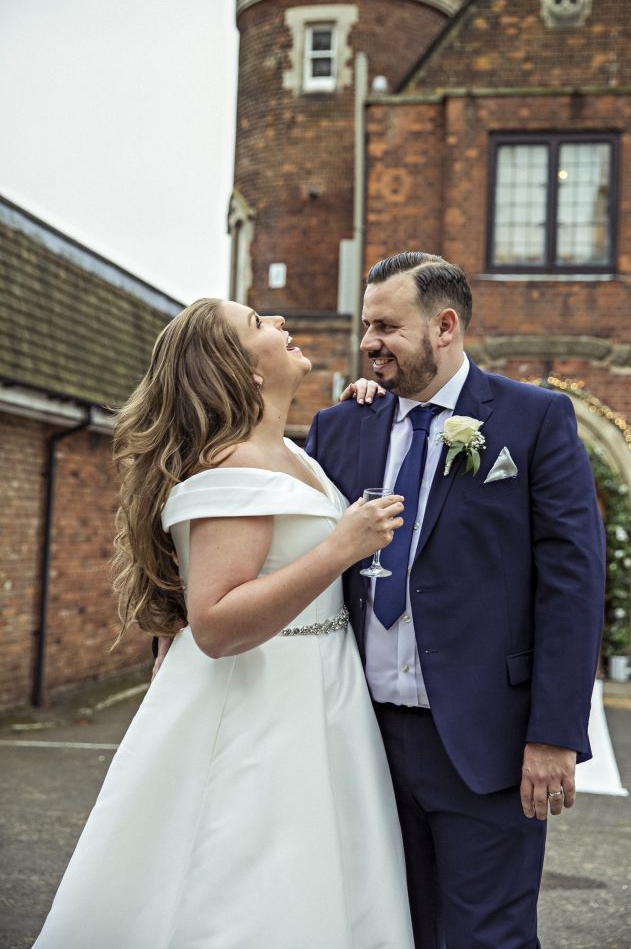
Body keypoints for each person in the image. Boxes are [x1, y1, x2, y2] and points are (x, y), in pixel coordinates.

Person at [33, 298, 415, 949]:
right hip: (259, 703)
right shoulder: (230, 466)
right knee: (244, 886)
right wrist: (338, 548)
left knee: (322, 883)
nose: (283, 326)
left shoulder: (291, 454)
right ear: (240, 367)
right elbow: (212, 624)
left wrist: (368, 408)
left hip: (320, 694)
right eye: (260, 325)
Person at [306, 252, 606, 949]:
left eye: (386, 326)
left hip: (485, 742)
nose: (368, 342)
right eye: (364, 326)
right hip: (361, 737)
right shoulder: (339, 426)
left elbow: (572, 582)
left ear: (444, 326)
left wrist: (553, 733)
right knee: (382, 928)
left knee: (486, 938)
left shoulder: (534, 420)